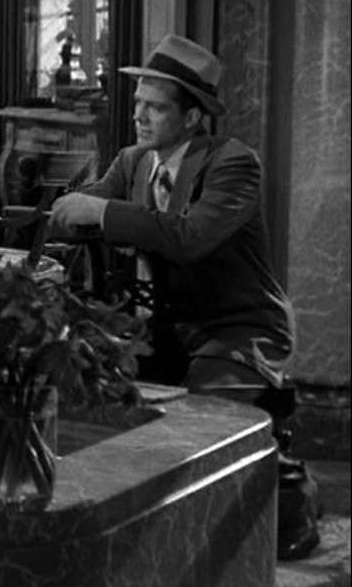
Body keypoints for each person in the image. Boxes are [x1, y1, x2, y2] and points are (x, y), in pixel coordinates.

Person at [50, 33, 319, 560]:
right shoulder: (133, 162)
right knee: (89, 398)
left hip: (238, 329)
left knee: (201, 428)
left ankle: (269, 514)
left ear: (192, 118)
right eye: (138, 104)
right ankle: (123, 533)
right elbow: (73, 212)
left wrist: (102, 213)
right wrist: (77, 208)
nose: (139, 116)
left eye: (155, 107)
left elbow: (190, 236)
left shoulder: (233, 164)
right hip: (165, 330)